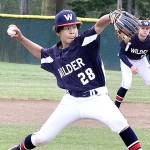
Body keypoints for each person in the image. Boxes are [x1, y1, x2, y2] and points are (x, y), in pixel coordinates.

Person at [8, 9, 142, 150]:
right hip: (71, 102)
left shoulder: (84, 42)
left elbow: (98, 26)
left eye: (74, 27)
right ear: (58, 31)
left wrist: (110, 17)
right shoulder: (53, 55)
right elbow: (41, 54)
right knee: (42, 137)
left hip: (97, 99)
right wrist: (21, 38)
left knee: (121, 124)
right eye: (67, 28)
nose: (72, 31)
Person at [115, 20, 150, 108]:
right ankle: (115, 107)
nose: (145, 30)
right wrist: (131, 66)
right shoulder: (130, 38)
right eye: (142, 28)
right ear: (138, 29)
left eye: (147, 28)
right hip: (127, 59)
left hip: (141, 60)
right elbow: (121, 54)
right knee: (126, 83)